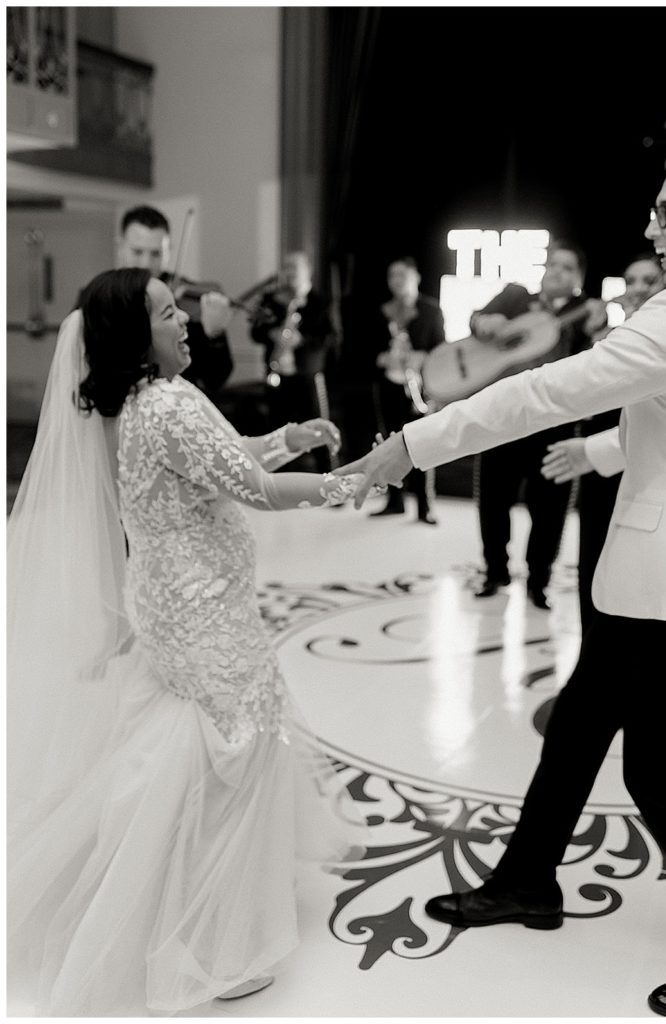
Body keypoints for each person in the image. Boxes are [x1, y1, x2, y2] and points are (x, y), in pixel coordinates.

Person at [335, 147, 666, 1017]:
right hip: (661, 577)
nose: (650, 228)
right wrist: (602, 451)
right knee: (575, 728)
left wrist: (408, 447)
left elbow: (545, 388)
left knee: (659, 769)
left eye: (665, 212)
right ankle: (529, 880)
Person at [7, 268, 366, 1016]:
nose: (186, 324)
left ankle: (156, 909)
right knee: (234, 762)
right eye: (169, 314)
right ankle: (211, 945)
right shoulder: (167, 401)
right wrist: (349, 482)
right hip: (205, 618)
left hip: (175, 610)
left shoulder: (138, 403)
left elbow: (223, 458)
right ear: (136, 337)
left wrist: (288, 438)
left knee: (186, 759)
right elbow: (251, 488)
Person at [468, 241, 606, 605]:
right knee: (492, 501)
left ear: (578, 279)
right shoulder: (514, 298)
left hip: (554, 426)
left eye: (567, 268)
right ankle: (494, 569)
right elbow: (477, 320)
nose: (556, 272)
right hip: (503, 417)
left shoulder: (584, 311)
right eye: (552, 265)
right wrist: (484, 322)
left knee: (550, 508)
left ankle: (538, 580)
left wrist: (596, 329)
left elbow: (593, 362)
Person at [542, 253, 665, 632]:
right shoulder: (609, 340)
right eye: (631, 280)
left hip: (652, 482)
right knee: (594, 573)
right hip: (599, 477)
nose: (639, 289)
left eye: (649, 280)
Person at [118, 204, 235, 399]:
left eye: (156, 254)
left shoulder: (187, 307)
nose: (146, 265)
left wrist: (214, 335)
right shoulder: (100, 298)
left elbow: (216, 379)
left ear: (169, 250)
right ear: (121, 246)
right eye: (137, 252)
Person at [369, 257, 445, 524]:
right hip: (389, 384)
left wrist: (420, 357)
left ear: (416, 277)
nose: (397, 281)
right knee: (390, 442)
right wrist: (382, 358)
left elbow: (440, 348)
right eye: (392, 276)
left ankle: (425, 505)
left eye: (402, 275)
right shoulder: (383, 311)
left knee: (423, 443)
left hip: (419, 386)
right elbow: (366, 350)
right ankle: (394, 501)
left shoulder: (431, 310)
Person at [249, 251, 337, 472]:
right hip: (277, 373)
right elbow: (256, 332)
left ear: (308, 271)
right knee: (276, 427)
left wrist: (302, 340)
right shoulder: (272, 300)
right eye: (286, 267)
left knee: (318, 427)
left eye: (294, 268)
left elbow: (331, 336)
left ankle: (329, 475)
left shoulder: (320, 301)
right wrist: (271, 333)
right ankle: (274, 479)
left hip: (307, 374)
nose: (289, 273)